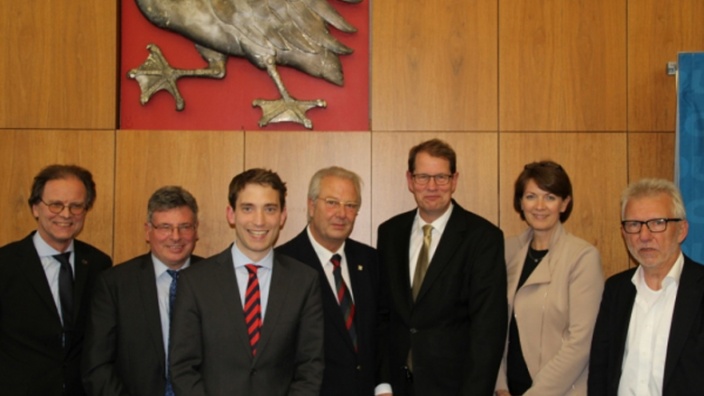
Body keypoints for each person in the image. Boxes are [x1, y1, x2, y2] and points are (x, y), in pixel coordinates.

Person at [169, 168, 324, 396]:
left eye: (269, 209)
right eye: (248, 208)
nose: (259, 221)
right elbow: (183, 367)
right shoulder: (195, 281)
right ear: (231, 214)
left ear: (282, 216)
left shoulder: (304, 281)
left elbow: (310, 367)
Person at [376, 138, 508, 395]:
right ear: (410, 180)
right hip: (398, 385)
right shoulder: (390, 233)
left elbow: (488, 329)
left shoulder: (483, 237)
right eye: (423, 177)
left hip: (455, 387)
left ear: (455, 180)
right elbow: (383, 316)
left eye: (441, 177)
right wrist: (383, 383)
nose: (432, 186)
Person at [0, 164, 112, 396]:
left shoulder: (98, 264)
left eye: (76, 206)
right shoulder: (6, 263)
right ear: (35, 208)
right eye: (56, 204)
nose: (66, 214)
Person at [276, 166, 388, 396]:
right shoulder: (283, 264)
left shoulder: (371, 260)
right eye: (332, 202)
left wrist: (383, 385)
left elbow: (382, 329)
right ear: (311, 205)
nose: (342, 213)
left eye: (350, 205)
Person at [494, 160, 603, 396]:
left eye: (550, 197)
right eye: (531, 196)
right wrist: (500, 387)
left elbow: (581, 342)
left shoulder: (582, 257)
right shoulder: (506, 251)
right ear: (520, 202)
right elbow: (491, 326)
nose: (540, 206)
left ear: (564, 204)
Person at [82, 186, 203, 396]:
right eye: (165, 227)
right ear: (148, 231)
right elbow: (97, 365)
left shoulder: (215, 280)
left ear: (196, 230)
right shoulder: (115, 284)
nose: (176, 237)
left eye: (185, 226)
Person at [588, 178, 704, 396]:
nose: (644, 236)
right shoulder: (616, 290)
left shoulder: (699, 289)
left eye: (658, 222)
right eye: (633, 224)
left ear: (681, 230)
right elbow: (599, 372)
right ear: (623, 233)